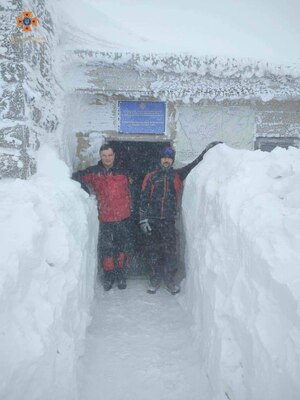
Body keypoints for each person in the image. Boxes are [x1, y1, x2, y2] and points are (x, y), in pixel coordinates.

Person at [139, 141, 222, 295]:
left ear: (173, 160)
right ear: (160, 159)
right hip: (152, 221)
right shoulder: (151, 177)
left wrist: (206, 151)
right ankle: (155, 278)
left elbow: (193, 165)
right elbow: (143, 199)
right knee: (152, 251)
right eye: (164, 157)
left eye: (169, 158)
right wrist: (143, 219)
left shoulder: (177, 175)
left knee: (170, 251)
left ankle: (169, 279)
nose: (166, 160)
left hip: (168, 221)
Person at [72, 144, 132, 291]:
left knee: (122, 249)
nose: (107, 158)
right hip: (105, 218)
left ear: (114, 155)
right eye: (104, 155)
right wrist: (86, 192)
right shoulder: (94, 171)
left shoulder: (123, 171)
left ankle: (121, 276)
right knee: (107, 250)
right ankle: (109, 277)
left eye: (110, 155)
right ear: (100, 156)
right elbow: (76, 177)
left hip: (123, 217)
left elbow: (133, 189)